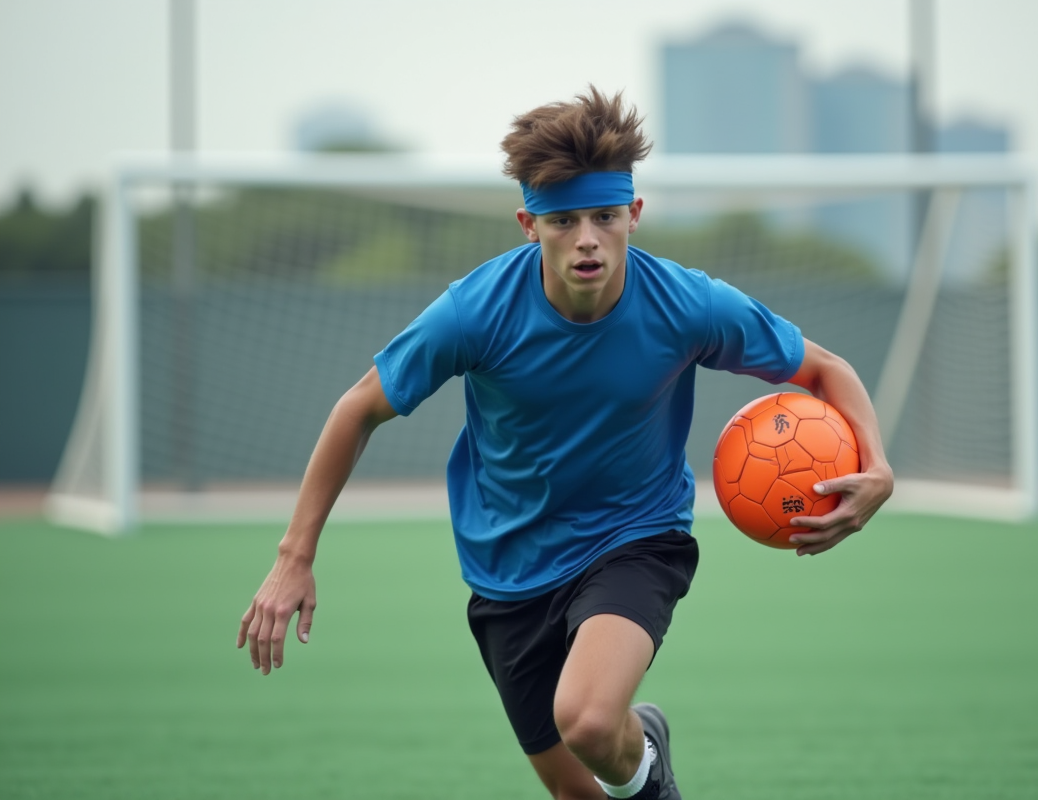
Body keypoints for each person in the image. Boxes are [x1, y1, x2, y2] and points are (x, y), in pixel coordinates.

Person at [236, 86, 894, 800]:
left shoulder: (687, 304)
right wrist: (294, 558)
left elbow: (825, 369)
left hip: (636, 538)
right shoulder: (473, 313)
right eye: (562, 221)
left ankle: (641, 758)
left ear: (633, 214)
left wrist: (879, 468)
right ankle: (648, 751)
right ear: (529, 225)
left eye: (605, 216)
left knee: (586, 719)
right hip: (508, 569)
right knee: (578, 791)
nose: (587, 238)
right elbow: (358, 409)